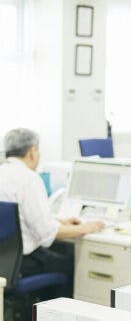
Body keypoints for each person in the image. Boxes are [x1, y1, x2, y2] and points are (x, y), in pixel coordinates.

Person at [0, 128, 104, 302]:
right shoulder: (29, 179)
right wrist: (87, 227)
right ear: (33, 151)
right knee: (74, 265)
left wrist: (59, 221)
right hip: (23, 264)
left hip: (4, 262)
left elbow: (14, 219)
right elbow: (48, 233)